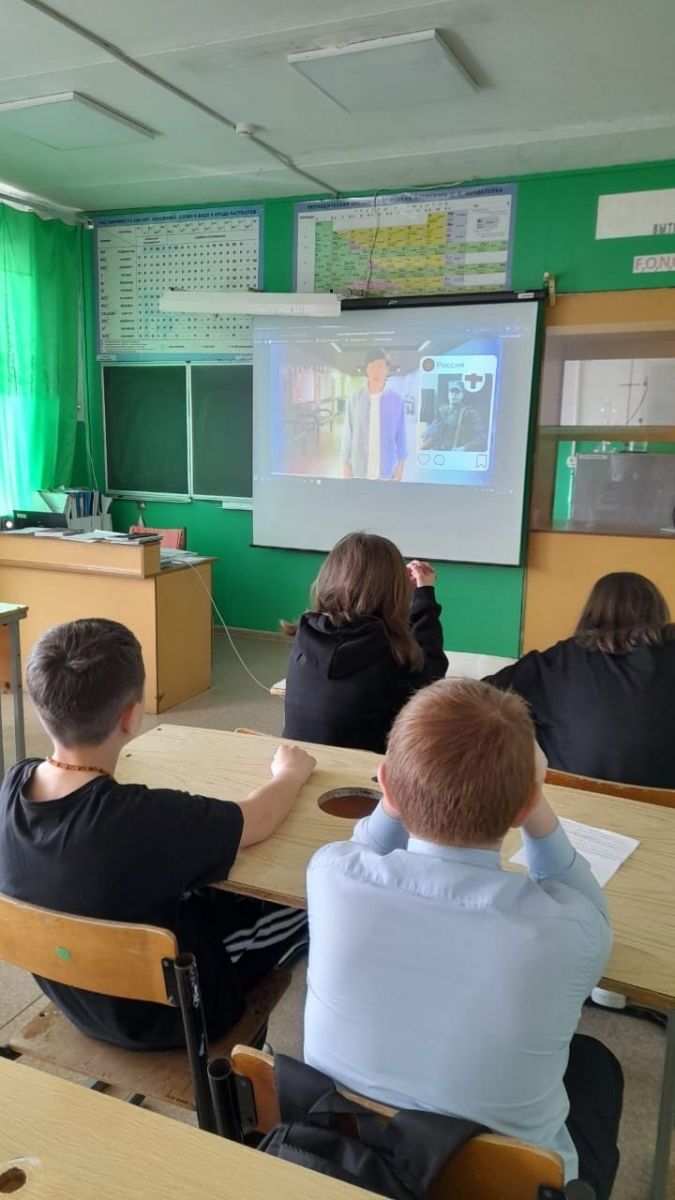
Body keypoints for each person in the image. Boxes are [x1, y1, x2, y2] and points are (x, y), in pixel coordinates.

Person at [304, 679, 623, 1200]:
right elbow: (589, 906)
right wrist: (536, 805)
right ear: (525, 805)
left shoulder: (329, 874)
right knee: (597, 1067)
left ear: (386, 789)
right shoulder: (570, 931)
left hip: (348, 1160)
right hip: (499, 1185)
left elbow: (362, 849)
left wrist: (396, 791)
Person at [0, 618, 316, 1051]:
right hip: (183, 1014)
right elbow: (259, 818)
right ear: (132, 717)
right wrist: (289, 774)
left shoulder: (13, 786)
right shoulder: (146, 818)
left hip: (78, 1001)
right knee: (308, 904)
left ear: (41, 708)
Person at [484, 572, 675, 787]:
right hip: (666, 804)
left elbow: (478, 697)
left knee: (523, 715)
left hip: (576, 800)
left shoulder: (560, 660)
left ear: (592, 611)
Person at [282, 532, 446, 752]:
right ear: (394, 589)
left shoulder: (306, 632)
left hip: (294, 762)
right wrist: (424, 594)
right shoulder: (386, 651)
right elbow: (432, 676)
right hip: (363, 768)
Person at [341, 348, 407, 480]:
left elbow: (401, 435)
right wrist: (344, 463)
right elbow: (348, 432)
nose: (376, 371)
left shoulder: (397, 400)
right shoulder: (355, 399)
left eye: (381, 366)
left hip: (387, 469)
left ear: (387, 369)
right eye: (372, 366)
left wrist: (401, 465)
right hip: (359, 469)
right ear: (367, 369)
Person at [421, 381, 486, 452]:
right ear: (448, 394)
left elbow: (481, 438)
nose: (454, 394)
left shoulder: (469, 413)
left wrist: (464, 448)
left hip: (458, 454)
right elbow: (427, 435)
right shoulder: (439, 412)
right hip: (439, 453)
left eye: (457, 392)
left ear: (462, 395)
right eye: (452, 391)